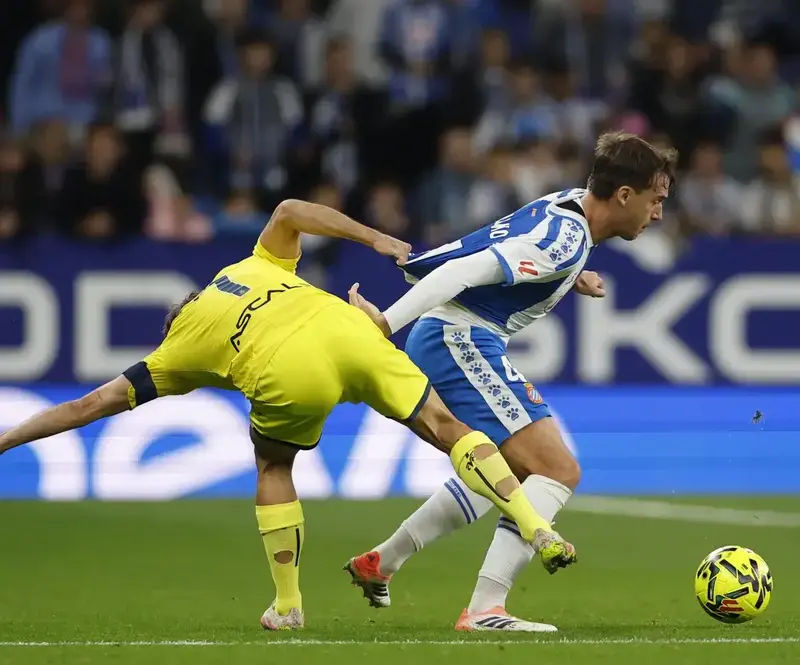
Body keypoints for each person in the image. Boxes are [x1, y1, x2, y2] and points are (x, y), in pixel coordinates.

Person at [0, 199, 575, 631]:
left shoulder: (174, 353)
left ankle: (288, 604)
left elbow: (86, 406)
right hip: (351, 332)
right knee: (453, 430)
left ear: (175, 322)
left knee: (274, 466)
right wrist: (376, 238)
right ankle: (536, 527)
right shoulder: (249, 265)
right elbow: (289, 210)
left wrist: (6, 440)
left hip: (291, 372)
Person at [345, 132, 677, 632]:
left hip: (450, 336)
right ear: (625, 195)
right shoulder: (566, 242)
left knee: (506, 472)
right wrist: (385, 324)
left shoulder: (568, 206)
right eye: (655, 200)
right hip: (458, 339)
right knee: (557, 469)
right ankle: (485, 609)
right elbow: (462, 270)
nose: (659, 214)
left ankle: (382, 561)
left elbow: (512, 247)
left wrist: (570, 276)